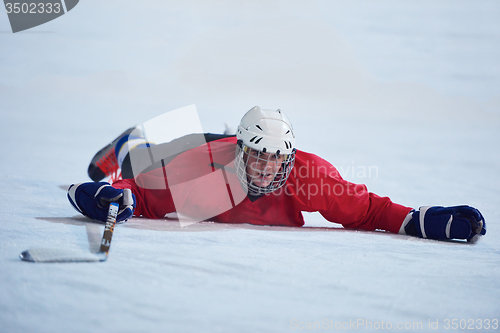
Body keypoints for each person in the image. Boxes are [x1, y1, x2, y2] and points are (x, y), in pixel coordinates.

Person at [67, 106, 486, 243]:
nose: (268, 169)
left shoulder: (307, 174)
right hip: (200, 151)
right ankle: (127, 142)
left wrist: (418, 220)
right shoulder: (207, 170)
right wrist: (113, 196)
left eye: (276, 160)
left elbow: (368, 211)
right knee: (140, 160)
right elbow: (142, 194)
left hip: (229, 141)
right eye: (259, 158)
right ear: (241, 152)